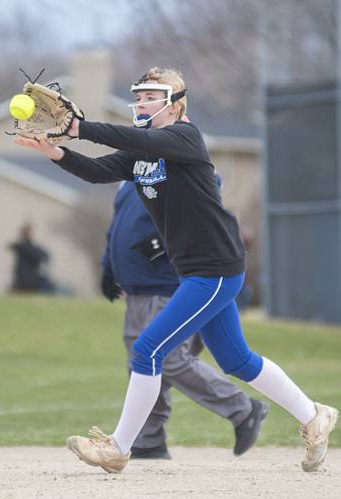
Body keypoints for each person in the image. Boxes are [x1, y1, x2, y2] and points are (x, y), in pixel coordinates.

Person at [15, 67, 339, 474]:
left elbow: (138, 138)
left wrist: (80, 127)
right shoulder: (145, 152)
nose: (142, 103)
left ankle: (118, 448)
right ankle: (314, 416)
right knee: (237, 360)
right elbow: (99, 171)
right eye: (140, 96)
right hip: (198, 271)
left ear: (176, 104)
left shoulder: (185, 137)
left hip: (215, 268)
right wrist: (55, 152)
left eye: (152, 97)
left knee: (148, 349)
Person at [101, 178, 268, 459]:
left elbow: (202, 210)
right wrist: (108, 266)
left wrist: (161, 244)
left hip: (169, 283)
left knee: (168, 358)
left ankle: (242, 408)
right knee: (140, 365)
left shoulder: (177, 165)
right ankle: (149, 438)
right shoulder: (127, 179)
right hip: (136, 287)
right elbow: (116, 227)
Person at [9, 224, 53, 293]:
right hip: (22, 279)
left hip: (32, 278)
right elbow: (13, 246)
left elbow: (45, 256)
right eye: (27, 233)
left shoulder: (32, 248)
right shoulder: (22, 247)